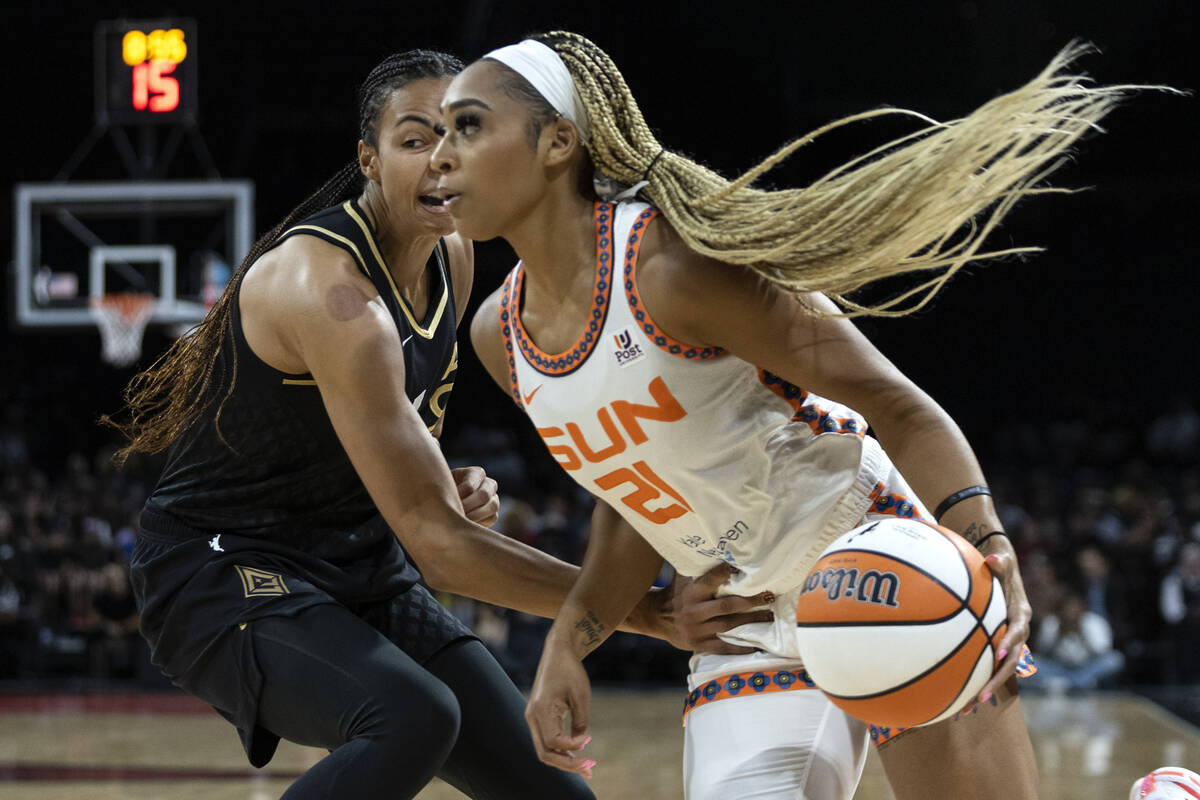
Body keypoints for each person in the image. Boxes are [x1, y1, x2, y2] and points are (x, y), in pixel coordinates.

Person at [433, 32, 1134, 799]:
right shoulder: (498, 336)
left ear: (557, 142)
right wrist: (569, 641)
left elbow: (899, 406)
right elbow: (631, 494)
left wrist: (991, 553)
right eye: (436, 132)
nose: (441, 154)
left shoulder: (673, 267)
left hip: (877, 561)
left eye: (468, 125)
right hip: (743, 622)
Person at [104, 48, 761, 800]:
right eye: (414, 140)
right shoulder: (329, 293)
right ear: (369, 160)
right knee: (410, 717)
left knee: (554, 790)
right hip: (222, 568)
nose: (441, 161)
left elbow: (389, 437)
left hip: (359, 565)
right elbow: (443, 552)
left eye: (459, 135)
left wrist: (435, 480)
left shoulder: (453, 255)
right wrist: (647, 611)